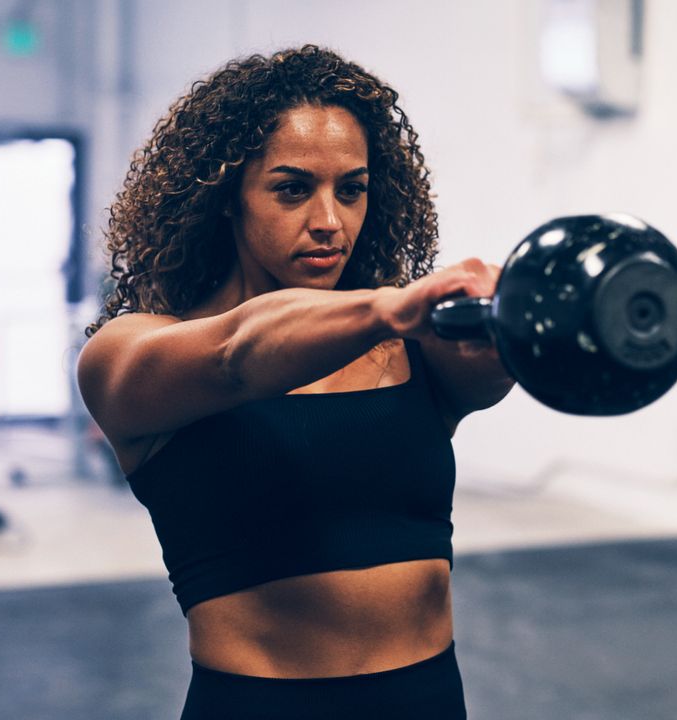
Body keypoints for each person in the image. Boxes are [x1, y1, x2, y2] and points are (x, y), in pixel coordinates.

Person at [77, 44, 514, 719]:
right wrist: (387, 307)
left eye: (351, 189)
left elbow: (505, 366)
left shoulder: (411, 350)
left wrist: (517, 312)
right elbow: (240, 352)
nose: (329, 221)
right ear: (227, 196)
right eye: (292, 188)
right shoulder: (132, 353)